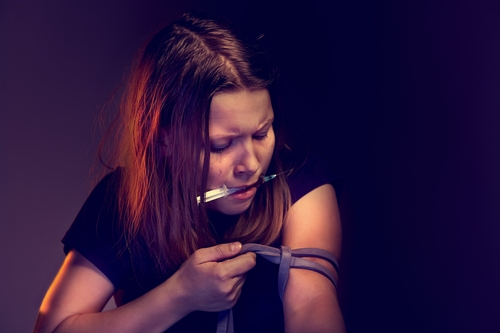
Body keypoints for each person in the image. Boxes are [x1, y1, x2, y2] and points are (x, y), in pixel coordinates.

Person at [33, 12, 345, 333]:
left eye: (261, 133)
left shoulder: (301, 182)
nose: (250, 165)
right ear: (164, 139)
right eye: (221, 145)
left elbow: (310, 301)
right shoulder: (122, 202)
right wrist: (178, 296)